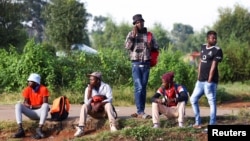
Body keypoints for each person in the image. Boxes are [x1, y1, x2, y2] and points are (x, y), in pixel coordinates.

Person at [125, 14, 159, 119]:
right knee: (139, 87)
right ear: (135, 24)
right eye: (138, 22)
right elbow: (127, 46)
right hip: (136, 64)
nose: (140, 23)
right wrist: (133, 36)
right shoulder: (131, 34)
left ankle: (141, 111)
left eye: (141, 21)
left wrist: (151, 46)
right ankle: (140, 111)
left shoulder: (149, 35)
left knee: (143, 88)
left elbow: (157, 47)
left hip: (146, 64)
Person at [190, 30, 223, 130]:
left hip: (210, 82)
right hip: (200, 81)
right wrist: (198, 76)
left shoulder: (217, 50)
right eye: (212, 38)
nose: (214, 40)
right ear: (208, 39)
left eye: (215, 38)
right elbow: (201, 62)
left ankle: (212, 125)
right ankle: (197, 123)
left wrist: (209, 80)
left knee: (211, 102)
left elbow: (213, 66)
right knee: (193, 99)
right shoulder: (203, 47)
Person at [74, 72, 117, 137]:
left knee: (108, 104)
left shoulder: (106, 86)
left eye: (92, 80)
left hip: (103, 113)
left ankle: (113, 126)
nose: (90, 81)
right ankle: (81, 129)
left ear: (98, 80)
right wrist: (89, 91)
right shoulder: (88, 88)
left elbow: (110, 99)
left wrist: (100, 104)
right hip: (93, 112)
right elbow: (86, 103)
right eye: (90, 80)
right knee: (84, 106)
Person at [13, 73, 50, 139]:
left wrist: (31, 106)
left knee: (46, 105)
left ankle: (39, 128)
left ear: (36, 82)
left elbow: (44, 104)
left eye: (31, 81)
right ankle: (20, 129)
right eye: (29, 81)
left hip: (40, 113)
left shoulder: (43, 89)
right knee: (18, 105)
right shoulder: (27, 89)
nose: (29, 83)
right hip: (30, 112)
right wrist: (32, 107)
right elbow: (25, 103)